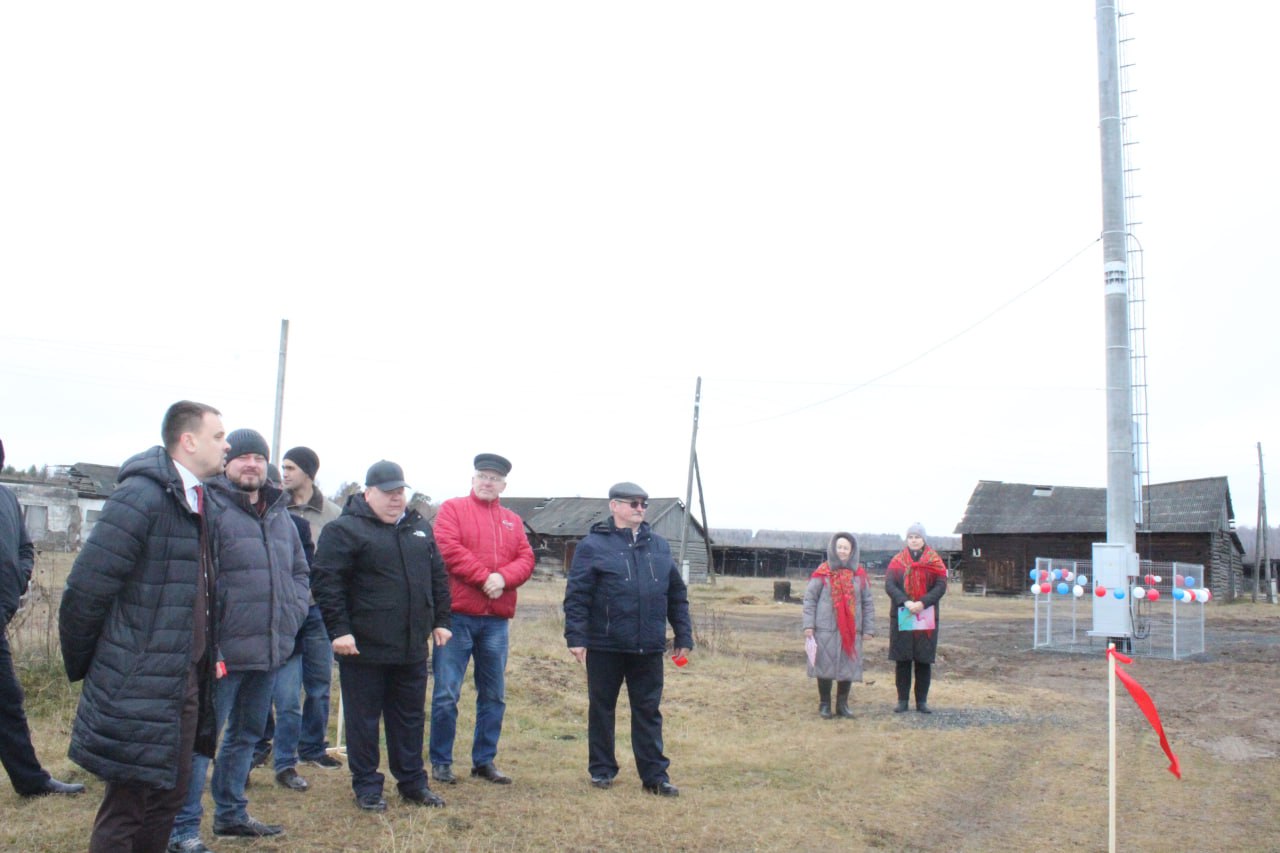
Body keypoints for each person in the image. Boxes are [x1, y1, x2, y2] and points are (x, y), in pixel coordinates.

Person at [59, 401, 227, 853]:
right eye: (217, 437)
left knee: (168, 796)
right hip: (139, 679)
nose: (226, 445)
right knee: (128, 803)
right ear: (188, 442)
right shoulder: (142, 496)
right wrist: (97, 667)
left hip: (183, 679)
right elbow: (85, 590)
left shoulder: (199, 498)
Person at [167, 429, 310, 850]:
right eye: (243, 456)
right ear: (227, 462)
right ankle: (183, 830)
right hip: (220, 652)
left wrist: (293, 613)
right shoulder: (207, 506)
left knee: (247, 735)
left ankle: (230, 814)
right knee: (201, 742)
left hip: (269, 649)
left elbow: (300, 572)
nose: (252, 464)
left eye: (259, 458)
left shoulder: (279, 513)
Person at [312, 460, 452, 812]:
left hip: (411, 646)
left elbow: (437, 577)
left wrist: (441, 619)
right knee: (364, 720)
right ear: (367, 493)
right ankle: (367, 786)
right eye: (388, 493)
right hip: (363, 647)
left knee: (408, 718)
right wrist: (339, 630)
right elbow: (327, 585)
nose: (396, 499)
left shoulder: (419, 529)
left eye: (400, 492)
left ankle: (412, 783)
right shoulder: (344, 531)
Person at [563, 482, 693, 797]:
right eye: (633, 503)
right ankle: (602, 770)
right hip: (605, 644)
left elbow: (676, 593)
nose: (640, 509)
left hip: (648, 646)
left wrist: (683, 633)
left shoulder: (659, 546)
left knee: (648, 710)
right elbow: (577, 595)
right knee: (602, 708)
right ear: (614, 506)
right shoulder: (593, 546)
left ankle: (655, 777)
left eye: (643, 504)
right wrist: (576, 637)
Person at [429, 453, 535, 786]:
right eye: (482, 476)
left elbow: (526, 557)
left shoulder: (512, 520)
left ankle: (484, 761)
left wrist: (502, 578)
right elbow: (447, 547)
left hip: (496, 622)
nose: (488, 482)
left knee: (494, 695)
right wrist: (484, 577)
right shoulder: (452, 509)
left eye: (494, 478)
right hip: (457, 617)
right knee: (447, 693)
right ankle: (441, 762)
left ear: (504, 484)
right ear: (472, 479)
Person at [1, 439, 85, 799]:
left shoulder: (7, 497)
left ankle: (32, 782)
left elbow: (24, 547)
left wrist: (20, 577)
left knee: (7, 703)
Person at [252, 446, 344, 776]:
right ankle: (275, 753)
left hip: (318, 611)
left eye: (292, 467)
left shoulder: (333, 514)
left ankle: (313, 748)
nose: (285, 472)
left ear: (308, 472)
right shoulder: (271, 508)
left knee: (319, 684)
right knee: (282, 691)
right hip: (283, 612)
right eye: (283, 467)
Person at [802, 532, 876, 719]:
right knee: (824, 667)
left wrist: (868, 629)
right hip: (825, 629)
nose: (842, 551)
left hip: (851, 631)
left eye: (846, 548)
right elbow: (810, 600)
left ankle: (842, 705)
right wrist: (808, 625)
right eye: (839, 547)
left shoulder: (859, 575)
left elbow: (867, 603)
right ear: (833, 549)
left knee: (847, 667)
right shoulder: (822, 573)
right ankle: (824, 704)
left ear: (852, 551)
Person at [885, 522, 948, 714]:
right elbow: (890, 585)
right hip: (903, 613)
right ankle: (902, 700)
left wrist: (922, 602)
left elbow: (940, 585)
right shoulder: (897, 561)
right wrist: (905, 602)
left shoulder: (934, 561)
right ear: (907, 539)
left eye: (917, 537)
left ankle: (922, 701)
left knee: (923, 660)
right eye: (911, 537)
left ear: (923, 540)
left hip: (925, 614)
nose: (913, 540)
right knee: (903, 660)